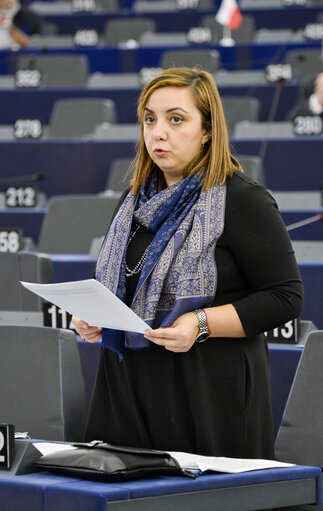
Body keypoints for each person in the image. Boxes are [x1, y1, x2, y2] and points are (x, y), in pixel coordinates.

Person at [72, 67, 303, 460]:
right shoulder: (133, 201)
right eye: (150, 119)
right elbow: (116, 281)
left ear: (208, 130)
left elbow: (285, 297)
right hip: (127, 393)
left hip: (208, 396)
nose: (158, 132)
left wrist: (201, 324)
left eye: (175, 119)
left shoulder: (243, 199)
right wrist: (92, 317)